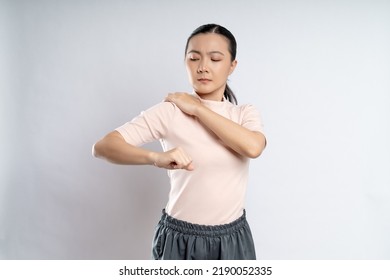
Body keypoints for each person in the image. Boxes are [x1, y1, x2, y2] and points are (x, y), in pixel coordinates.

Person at [93, 23, 266, 260]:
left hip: (233, 238)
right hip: (181, 239)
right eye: (194, 58)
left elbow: (253, 147)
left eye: (215, 59)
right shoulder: (170, 112)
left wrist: (197, 108)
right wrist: (156, 158)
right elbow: (103, 147)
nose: (203, 67)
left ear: (232, 66)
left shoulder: (244, 114)